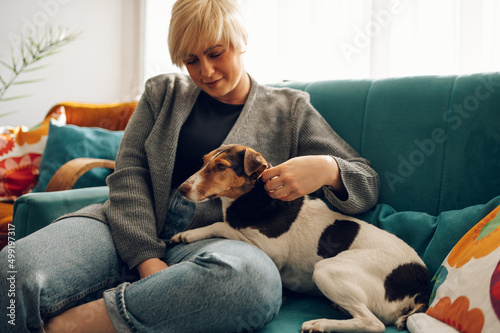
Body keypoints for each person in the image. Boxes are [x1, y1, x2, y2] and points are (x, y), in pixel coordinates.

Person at [0, 0, 379, 332]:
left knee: (250, 284)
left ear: (241, 41)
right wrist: (147, 259)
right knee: (12, 268)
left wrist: (329, 168)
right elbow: (129, 172)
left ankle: (71, 326)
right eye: (191, 59)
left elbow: (365, 181)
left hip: (219, 244)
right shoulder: (162, 93)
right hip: (121, 228)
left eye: (216, 53)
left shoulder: (290, 110)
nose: (205, 71)